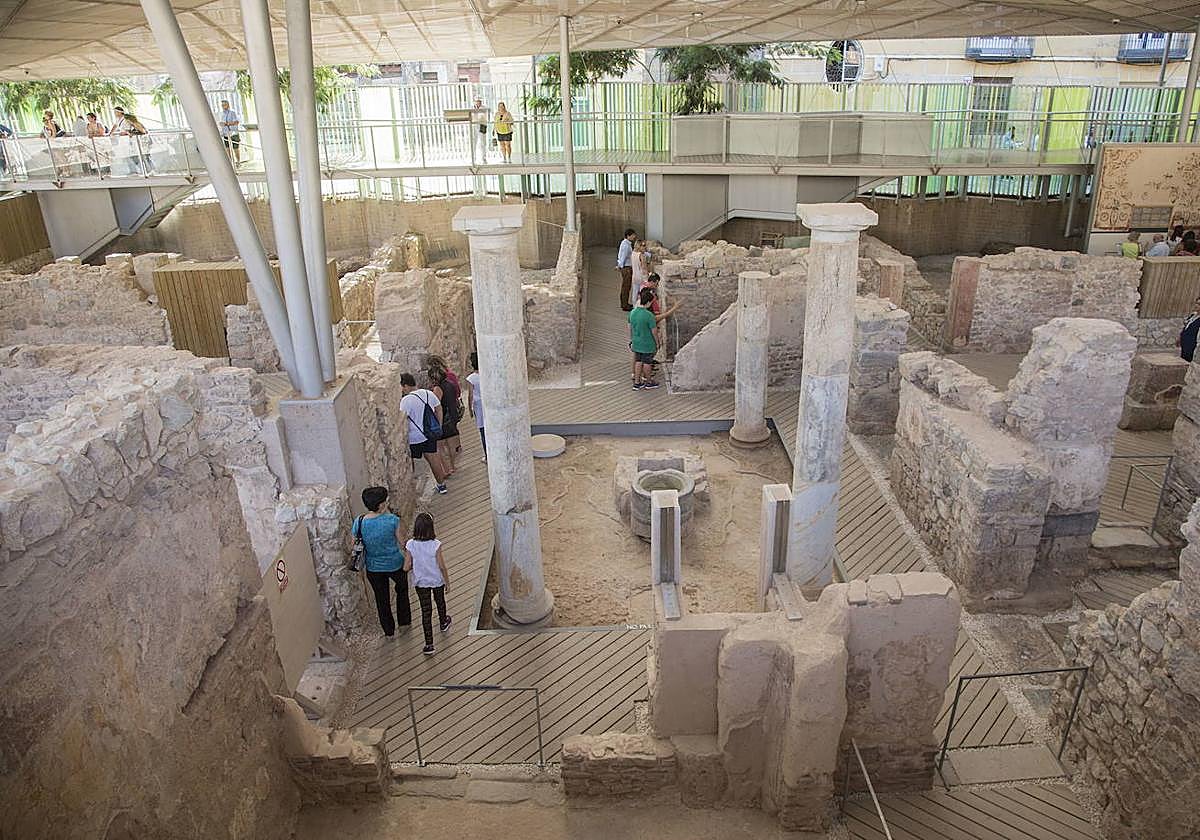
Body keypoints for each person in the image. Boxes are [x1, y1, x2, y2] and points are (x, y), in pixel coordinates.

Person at [356, 485, 411, 637]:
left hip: (373, 567)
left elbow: (357, 541)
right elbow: (403, 542)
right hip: (395, 563)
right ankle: (404, 622)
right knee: (402, 591)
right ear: (381, 504)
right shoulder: (392, 520)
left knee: (382, 599)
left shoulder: (359, 522)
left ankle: (389, 631)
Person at [404, 512, 451, 655]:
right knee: (440, 601)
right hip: (436, 580)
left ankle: (429, 644)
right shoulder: (435, 545)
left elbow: (406, 567)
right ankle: (443, 622)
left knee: (426, 611)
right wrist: (447, 582)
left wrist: (416, 565)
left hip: (421, 582)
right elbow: (442, 566)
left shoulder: (410, 545)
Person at [400, 372, 449, 494]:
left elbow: (402, 419)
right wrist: (438, 424)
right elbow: (438, 408)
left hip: (413, 437)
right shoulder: (428, 393)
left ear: (405, 385)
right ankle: (442, 485)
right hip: (429, 434)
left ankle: (413, 490)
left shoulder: (405, 401)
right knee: (433, 459)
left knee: (411, 463)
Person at [629, 287, 678, 390]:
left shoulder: (633, 312)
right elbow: (654, 331)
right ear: (648, 302)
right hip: (647, 343)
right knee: (647, 363)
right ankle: (649, 382)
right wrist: (657, 343)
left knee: (638, 361)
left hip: (637, 342)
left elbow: (631, 327)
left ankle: (637, 383)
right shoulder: (648, 315)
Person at [428, 365, 462, 474]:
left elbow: (436, 405)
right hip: (452, 416)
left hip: (444, 419)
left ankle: (447, 469)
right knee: (452, 446)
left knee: (440, 447)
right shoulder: (450, 384)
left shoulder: (438, 389)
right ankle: (453, 466)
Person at [465, 351, 486, 463]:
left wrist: (470, 409)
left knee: (483, 430)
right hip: (488, 403)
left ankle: (487, 456)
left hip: (478, 405)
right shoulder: (486, 374)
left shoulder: (471, 378)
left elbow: (470, 395)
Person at [616, 228, 636, 312]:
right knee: (626, 287)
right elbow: (623, 257)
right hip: (626, 268)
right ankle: (625, 305)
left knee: (626, 286)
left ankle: (625, 303)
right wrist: (620, 266)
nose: (634, 236)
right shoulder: (626, 245)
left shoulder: (625, 243)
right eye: (633, 235)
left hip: (626, 267)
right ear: (628, 236)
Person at [218, 99, 242, 164]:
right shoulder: (221, 114)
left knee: (235, 148)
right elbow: (221, 122)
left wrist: (227, 124)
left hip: (233, 133)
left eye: (224, 105)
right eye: (222, 105)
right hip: (226, 133)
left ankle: (238, 162)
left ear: (228, 105)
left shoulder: (232, 112)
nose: (223, 106)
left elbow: (236, 122)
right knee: (227, 149)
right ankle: (231, 163)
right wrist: (221, 124)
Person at [629, 240, 651, 307]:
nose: (645, 247)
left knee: (634, 293)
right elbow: (644, 268)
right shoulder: (641, 255)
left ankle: (634, 307)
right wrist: (648, 274)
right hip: (642, 277)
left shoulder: (633, 253)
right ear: (639, 246)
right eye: (643, 245)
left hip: (635, 275)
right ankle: (642, 307)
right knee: (643, 293)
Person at [1180, 298, 1200, 362]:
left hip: (1192, 346)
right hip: (1185, 343)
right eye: (1196, 303)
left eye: (1199, 304)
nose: (1196, 305)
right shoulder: (1193, 315)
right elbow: (1186, 326)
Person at [470, 97, 489, 163]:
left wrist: (476, 115)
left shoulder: (484, 108)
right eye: (477, 101)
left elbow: (482, 117)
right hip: (473, 125)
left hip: (482, 125)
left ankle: (483, 158)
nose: (478, 102)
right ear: (474, 101)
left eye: (479, 101)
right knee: (473, 142)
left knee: (483, 142)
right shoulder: (471, 108)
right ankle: (473, 158)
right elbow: (471, 117)